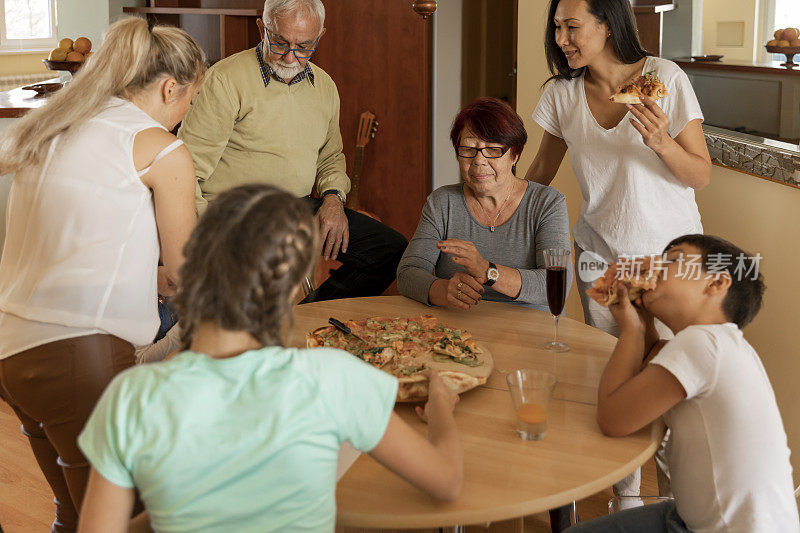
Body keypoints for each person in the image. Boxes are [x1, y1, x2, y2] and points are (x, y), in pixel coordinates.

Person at [75, 184, 463, 533]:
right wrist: (442, 407)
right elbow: (446, 482)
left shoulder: (132, 396)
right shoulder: (332, 377)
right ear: (295, 286)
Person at [0, 18, 205, 532]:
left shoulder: (54, 127)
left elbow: (77, 248)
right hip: (76, 358)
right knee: (138, 521)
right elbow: (188, 273)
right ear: (169, 88)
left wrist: (150, 276)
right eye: (190, 101)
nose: (187, 114)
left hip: (12, 351)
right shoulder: (161, 147)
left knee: (76, 515)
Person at [526, 0, 711, 498]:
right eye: (557, 28)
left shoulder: (663, 76)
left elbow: (701, 173)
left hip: (672, 265)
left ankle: (677, 504)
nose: (562, 39)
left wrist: (663, 142)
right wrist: (496, 207)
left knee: (676, 386)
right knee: (617, 382)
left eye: (572, 27)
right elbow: (541, 173)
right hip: (601, 260)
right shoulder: (563, 95)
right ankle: (626, 499)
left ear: (607, 24)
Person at [566, 234, 799, 532]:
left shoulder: (703, 343)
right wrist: (643, 324)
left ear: (716, 284)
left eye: (673, 260)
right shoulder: (713, 345)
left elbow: (613, 418)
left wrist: (630, 331)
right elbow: (643, 376)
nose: (655, 266)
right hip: (690, 516)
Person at [178, 0, 407, 302]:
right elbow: (185, 167)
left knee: (389, 249)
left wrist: (334, 199)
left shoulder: (325, 87)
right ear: (262, 28)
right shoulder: (225, 80)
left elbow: (330, 159)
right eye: (280, 42)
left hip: (296, 208)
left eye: (304, 46)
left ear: (320, 37)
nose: (290, 56)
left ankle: (312, 317)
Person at [397, 97, 572, 312]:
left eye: (492, 150)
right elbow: (408, 273)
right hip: (459, 332)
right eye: (468, 149)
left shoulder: (547, 203)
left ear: (514, 155)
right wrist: (443, 289)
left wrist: (488, 271)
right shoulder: (443, 203)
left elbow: (556, 285)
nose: (479, 160)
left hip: (532, 332)